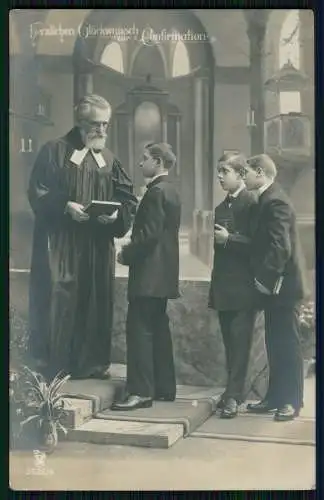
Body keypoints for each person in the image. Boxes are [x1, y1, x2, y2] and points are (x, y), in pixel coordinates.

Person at [27, 94, 137, 379]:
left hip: (97, 245)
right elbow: (37, 190)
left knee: (96, 299)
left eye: (106, 124)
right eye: (95, 124)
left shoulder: (109, 159)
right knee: (60, 297)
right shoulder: (54, 151)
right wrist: (65, 207)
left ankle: (91, 364)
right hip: (62, 243)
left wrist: (116, 215)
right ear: (79, 122)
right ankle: (55, 364)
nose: (101, 131)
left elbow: (127, 198)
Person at [215, 153, 307, 421]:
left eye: (247, 172)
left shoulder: (275, 200)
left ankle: (292, 401)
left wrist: (264, 280)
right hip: (274, 287)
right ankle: (275, 397)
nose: (244, 177)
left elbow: (281, 248)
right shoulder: (266, 198)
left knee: (288, 344)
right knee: (274, 342)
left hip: (283, 287)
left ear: (259, 172)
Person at [111, 143, 181, 411]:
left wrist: (125, 254)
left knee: (139, 331)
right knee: (158, 330)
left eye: (145, 159)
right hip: (163, 277)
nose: (140, 164)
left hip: (148, 276)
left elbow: (147, 237)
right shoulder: (171, 190)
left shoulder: (155, 193)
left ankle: (140, 392)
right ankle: (164, 388)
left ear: (159, 161)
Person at [211, 153, 258, 418]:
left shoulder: (252, 203)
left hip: (244, 288)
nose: (219, 176)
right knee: (230, 343)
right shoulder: (220, 208)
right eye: (218, 171)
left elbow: (259, 244)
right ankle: (232, 393)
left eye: (224, 171)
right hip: (225, 287)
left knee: (240, 344)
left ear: (241, 174)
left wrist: (231, 239)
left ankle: (234, 397)